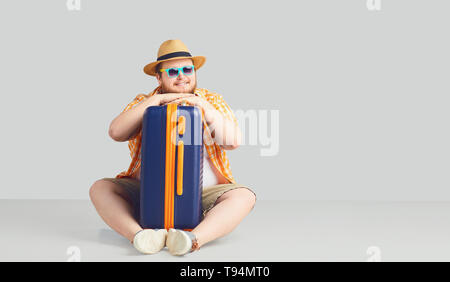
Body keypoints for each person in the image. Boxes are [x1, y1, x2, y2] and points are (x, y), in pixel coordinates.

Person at [89, 39, 257, 256]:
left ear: (195, 72)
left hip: (204, 193)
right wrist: (160, 100)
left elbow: (232, 141)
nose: (181, 76)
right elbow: (116, 132)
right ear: (159, 77)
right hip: (148, 192)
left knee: (244, 197)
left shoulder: (212, 100)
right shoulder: (144, 101)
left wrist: (201, 105)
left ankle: (192, 239)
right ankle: (141, 236)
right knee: (99, 188)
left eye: (188, 69)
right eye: (173, 71)